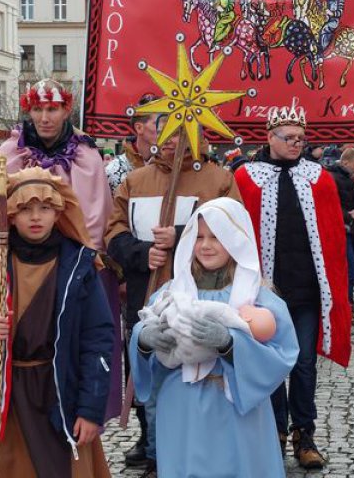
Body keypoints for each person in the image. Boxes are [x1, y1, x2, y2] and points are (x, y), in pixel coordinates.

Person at [0, 79, 122, 425]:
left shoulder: (87, 156)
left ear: (66, 110)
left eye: (52, 109)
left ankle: (74, 413)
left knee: (68, 348)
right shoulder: (8, 154)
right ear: (29, 110)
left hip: (65, 270)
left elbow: (94, 221)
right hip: (18, 269)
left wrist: (79, 262)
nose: (45, 117)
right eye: (38, 109)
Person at [0, 167, 114, 477]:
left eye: (44, 208)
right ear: (10, 214)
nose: (35, 217)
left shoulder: (80, 266)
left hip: (61, 396)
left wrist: (91, 411)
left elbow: (98, 342)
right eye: (25, 209)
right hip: (7, 401)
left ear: (58, 212)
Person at [105, 114, 242, 472]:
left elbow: (234, 231)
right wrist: (140, 253)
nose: (170, 138)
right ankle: (153, 448)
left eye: (181, 131)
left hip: (202, 296)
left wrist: (182, 233)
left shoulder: (219, 180)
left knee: (195, 376)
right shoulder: (135, 181)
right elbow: (113, 232)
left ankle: (194, 452)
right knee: (150, 372)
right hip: (147, 295)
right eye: (163, 130)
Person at [130, 197, 299, 477]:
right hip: (182, 409)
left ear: (235, 240)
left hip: (235, 412)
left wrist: (231, 344)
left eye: (216, 237)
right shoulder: (175, 291)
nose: (206, 245)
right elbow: (146, 324)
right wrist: (145, 340)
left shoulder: (257, 297)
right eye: (200, 237)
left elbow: (284, 354)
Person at [234, 105, 351, 469]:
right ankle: (274, 432)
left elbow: (332, 236)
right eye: (288, 138)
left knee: (303, 364)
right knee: (269, 364)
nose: (296, 144)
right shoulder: (246, 177)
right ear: (269, 138)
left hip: (306, 290)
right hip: (264, 293)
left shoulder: (319, 177)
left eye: (301, 138)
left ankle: (304, 432)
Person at [327, 148, 354, 314]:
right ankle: (345, 301)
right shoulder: (332, 178)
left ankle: (347, 299)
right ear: (345, 163)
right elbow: (330, 204)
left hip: (351, 227)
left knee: (351, 268)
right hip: (341, 228)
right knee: (348, 269)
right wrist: (349, 215)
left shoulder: (349, 178)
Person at [105, 93, 159, 194]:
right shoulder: (113, 170)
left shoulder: (170, 167)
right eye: (157, 123)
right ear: (139, 128)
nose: (165, 129)